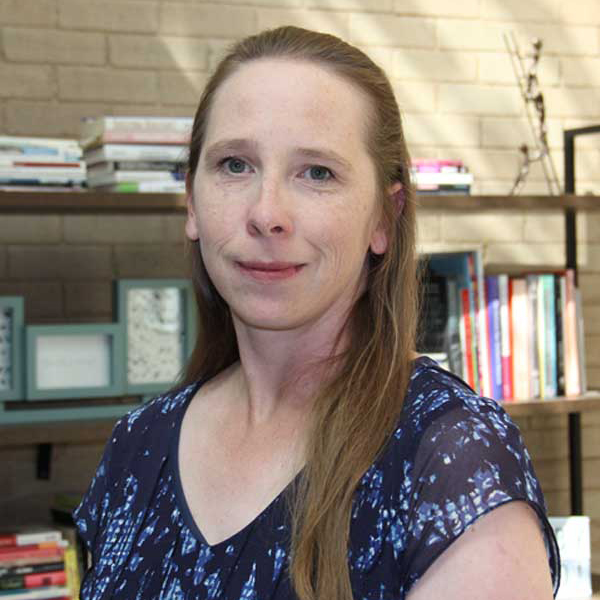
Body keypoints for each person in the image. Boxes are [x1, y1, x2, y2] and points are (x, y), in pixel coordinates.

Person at [73, 26, 560, 600]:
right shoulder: (138, 445)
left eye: (317, 173)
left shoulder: (453, 459)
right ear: (192, 202)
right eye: (234, 165)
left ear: (384, 216)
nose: (266, 213)